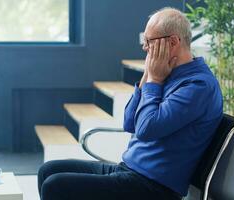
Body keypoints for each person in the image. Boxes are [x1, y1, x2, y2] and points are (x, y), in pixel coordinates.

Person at [37, 7, 223, 200]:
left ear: (173, 42)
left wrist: (155, 80)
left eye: (149, 41)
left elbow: (145, 129)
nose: (144, 48)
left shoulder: (198, 85)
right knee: (48, 171)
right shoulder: (167, 74)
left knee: (56, 186)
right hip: (129, 170)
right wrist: (147, 75)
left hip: (153, 187)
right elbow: (129, 123)